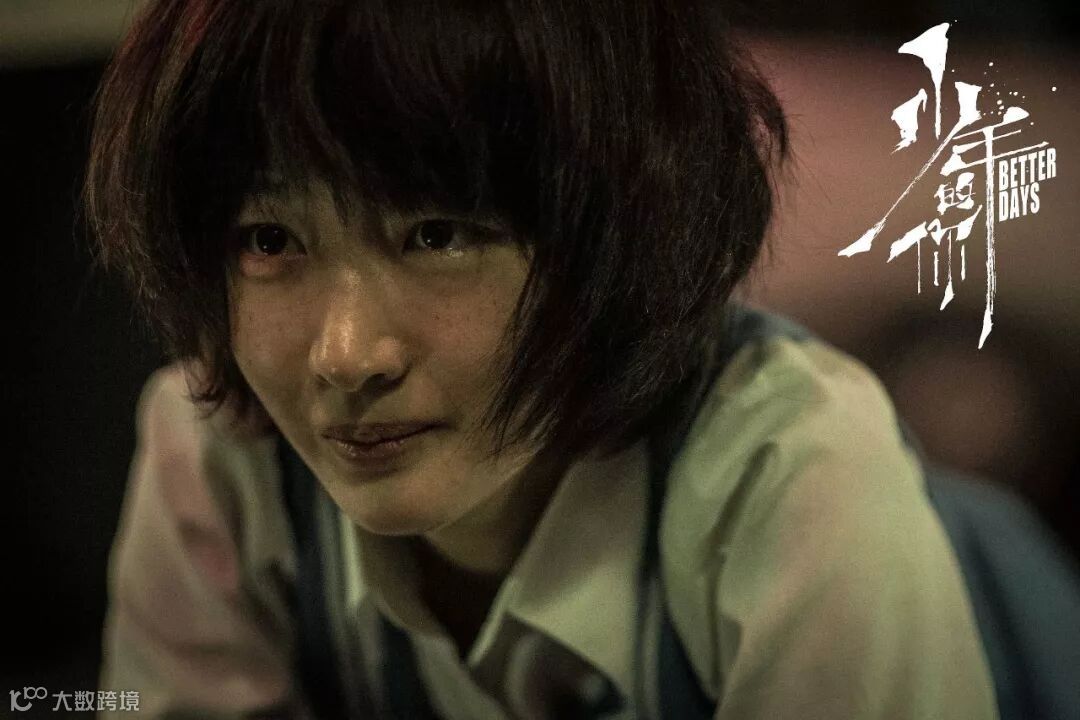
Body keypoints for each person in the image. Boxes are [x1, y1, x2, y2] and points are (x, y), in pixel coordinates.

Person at [85, 0, 999, 718]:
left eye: (436, 234)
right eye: (270, 239)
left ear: (616, 242)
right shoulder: (221, 454)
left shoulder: (789, 472)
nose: (347, 355)